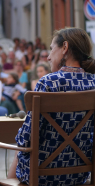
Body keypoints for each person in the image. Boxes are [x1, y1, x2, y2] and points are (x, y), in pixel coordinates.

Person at [8, 27, 95, 185]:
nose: (48, 57)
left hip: (41, 176)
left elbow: (26, 140)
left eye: (51, 49)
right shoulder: (93, 82)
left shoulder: (48, 82)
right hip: (79, 174)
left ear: (65, 48)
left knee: (19, 150)